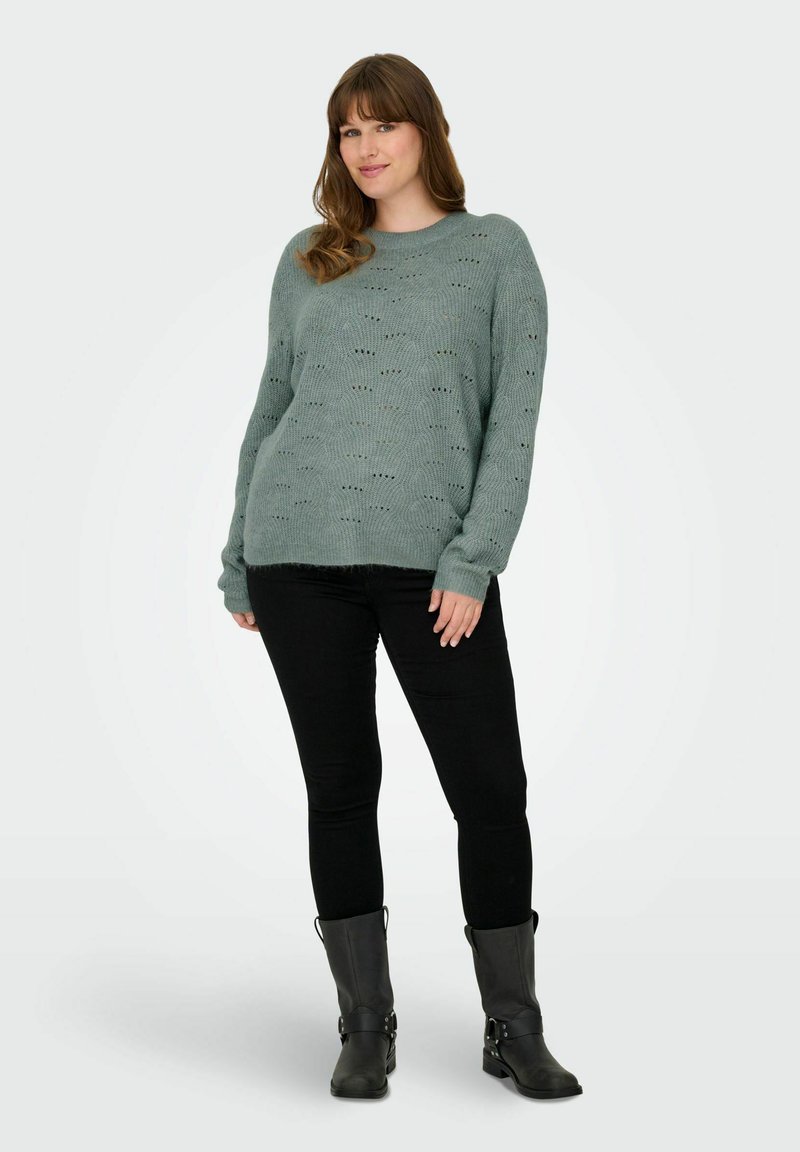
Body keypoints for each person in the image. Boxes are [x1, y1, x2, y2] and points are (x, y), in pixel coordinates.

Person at [217, 52, 582, 1102]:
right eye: (348, 129)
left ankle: (512, 1028)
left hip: (433, 570)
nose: (366, 147)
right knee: (340, 788)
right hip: (296, 555)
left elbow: (513, 419)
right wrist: (238, 554)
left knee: (489, 790)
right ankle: (364, 1026)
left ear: (427, 129)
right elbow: (272, 406)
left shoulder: (493, 251)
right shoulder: (310, 257)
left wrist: (474, 557)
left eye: (384, 124)